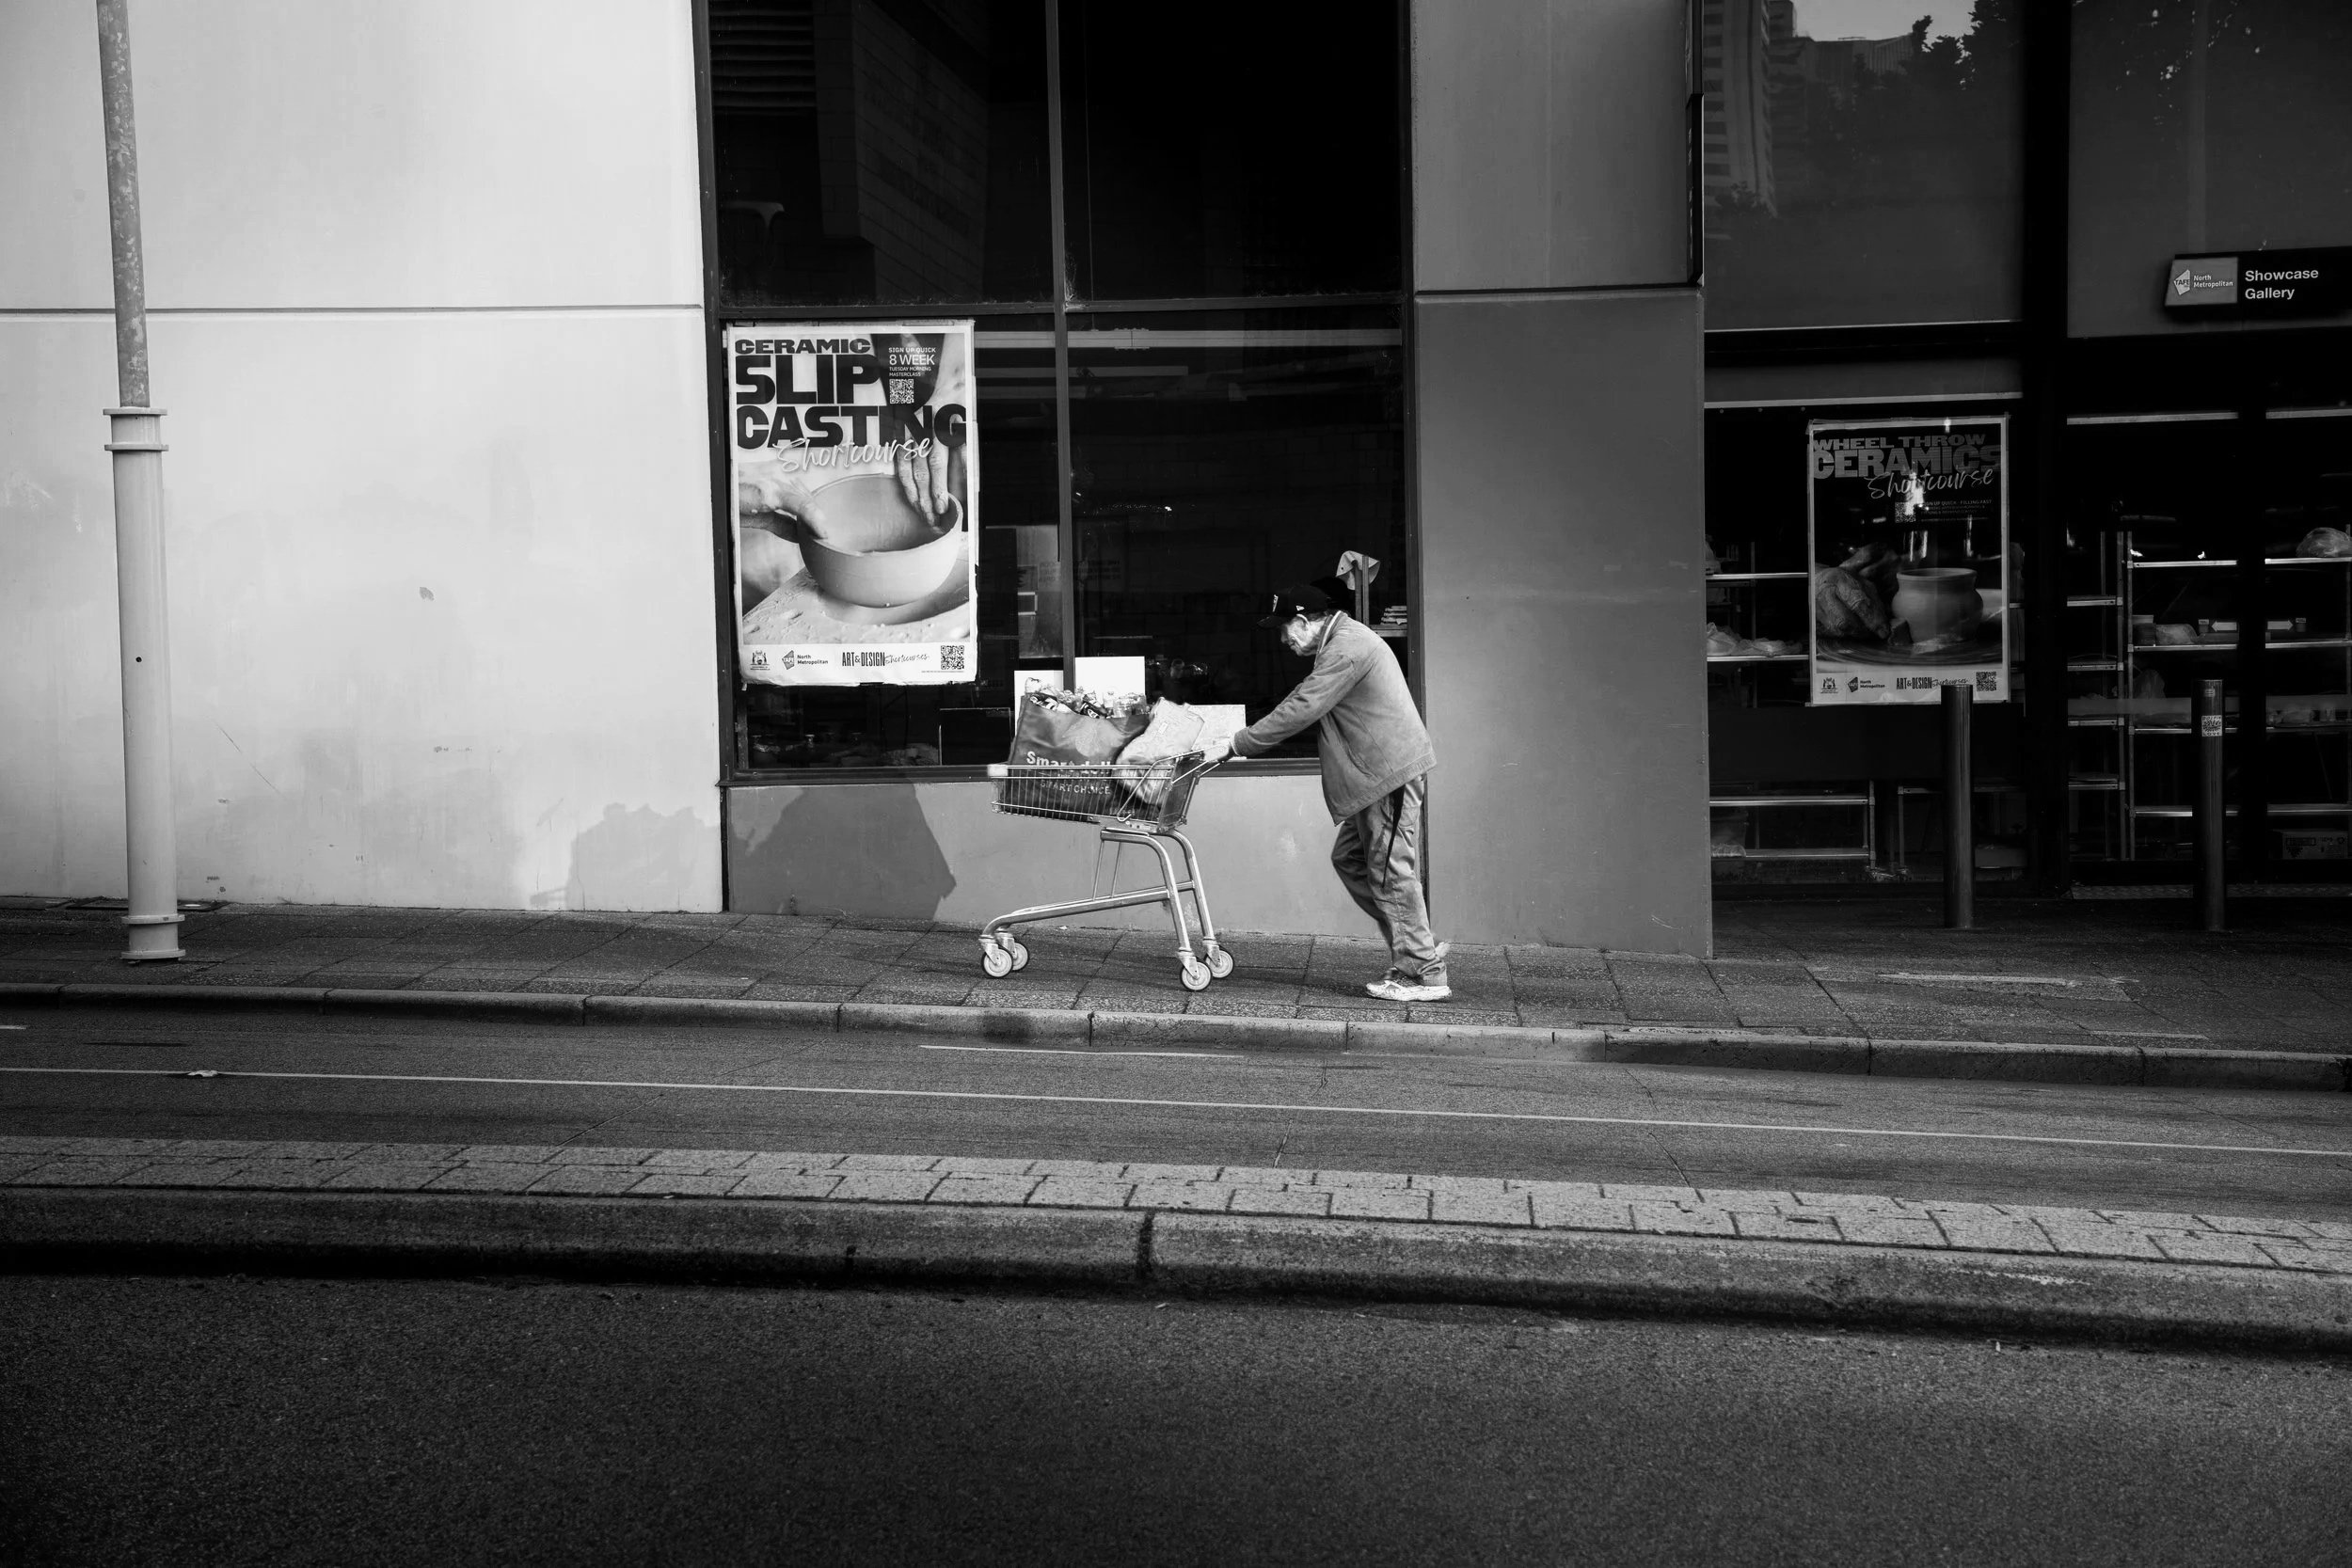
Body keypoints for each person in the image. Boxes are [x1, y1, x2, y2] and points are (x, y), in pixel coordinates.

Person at [1200, 581, 1447, 1002]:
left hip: (1387, 776)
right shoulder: (1342, 642)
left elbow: (1304, 706)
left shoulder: (1347, 649)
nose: (1284, 639)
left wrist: (1235, 744)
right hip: (1376, 778)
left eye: (1285, 630)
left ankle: (1422, 972)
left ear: (1303, 621)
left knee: (1390, 873)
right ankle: (1416, 947)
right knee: (1351, 859)